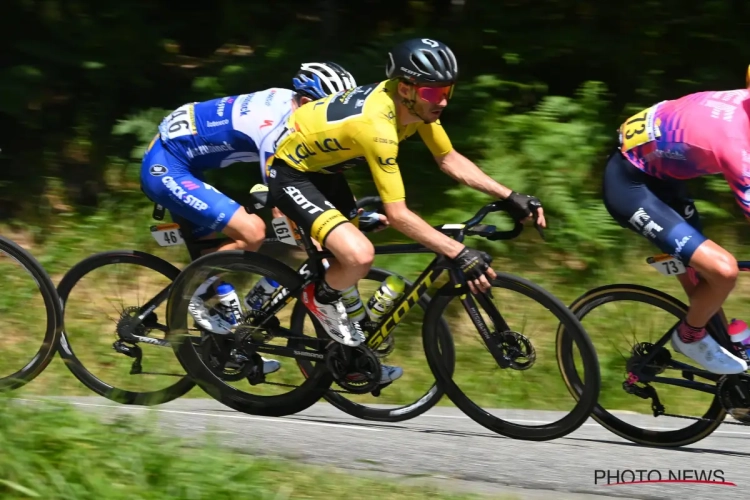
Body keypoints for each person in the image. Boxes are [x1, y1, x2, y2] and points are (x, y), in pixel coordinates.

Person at [265, 38, 547, 384]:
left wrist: (509, 195)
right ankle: (317, 297)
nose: (442, 100)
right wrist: (458, 252)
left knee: (342, 259)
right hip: (291, 173)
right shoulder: (378, 126)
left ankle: (347, 350)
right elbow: (398, 214)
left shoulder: (416, 106)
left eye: (447, 90)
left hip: (327, 171)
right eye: (432, 92)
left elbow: (448, 158)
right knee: (359, 256)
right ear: (406, 88)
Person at [140, 61, 358, 375]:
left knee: (220, 275)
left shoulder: (297, 110)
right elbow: (284, 198)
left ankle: (228, 348)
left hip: (188, 159)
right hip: (166, 164)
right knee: (252, 232)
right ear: (309, 103)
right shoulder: (276, 127)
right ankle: (190, 292)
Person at [602, 87, 750, 375]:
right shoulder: (733, 143)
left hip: (664, 179)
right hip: (630, 186)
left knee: (705, 287)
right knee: (723, 270)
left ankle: (737, 388)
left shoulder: (744, 101)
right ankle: (689, 338)